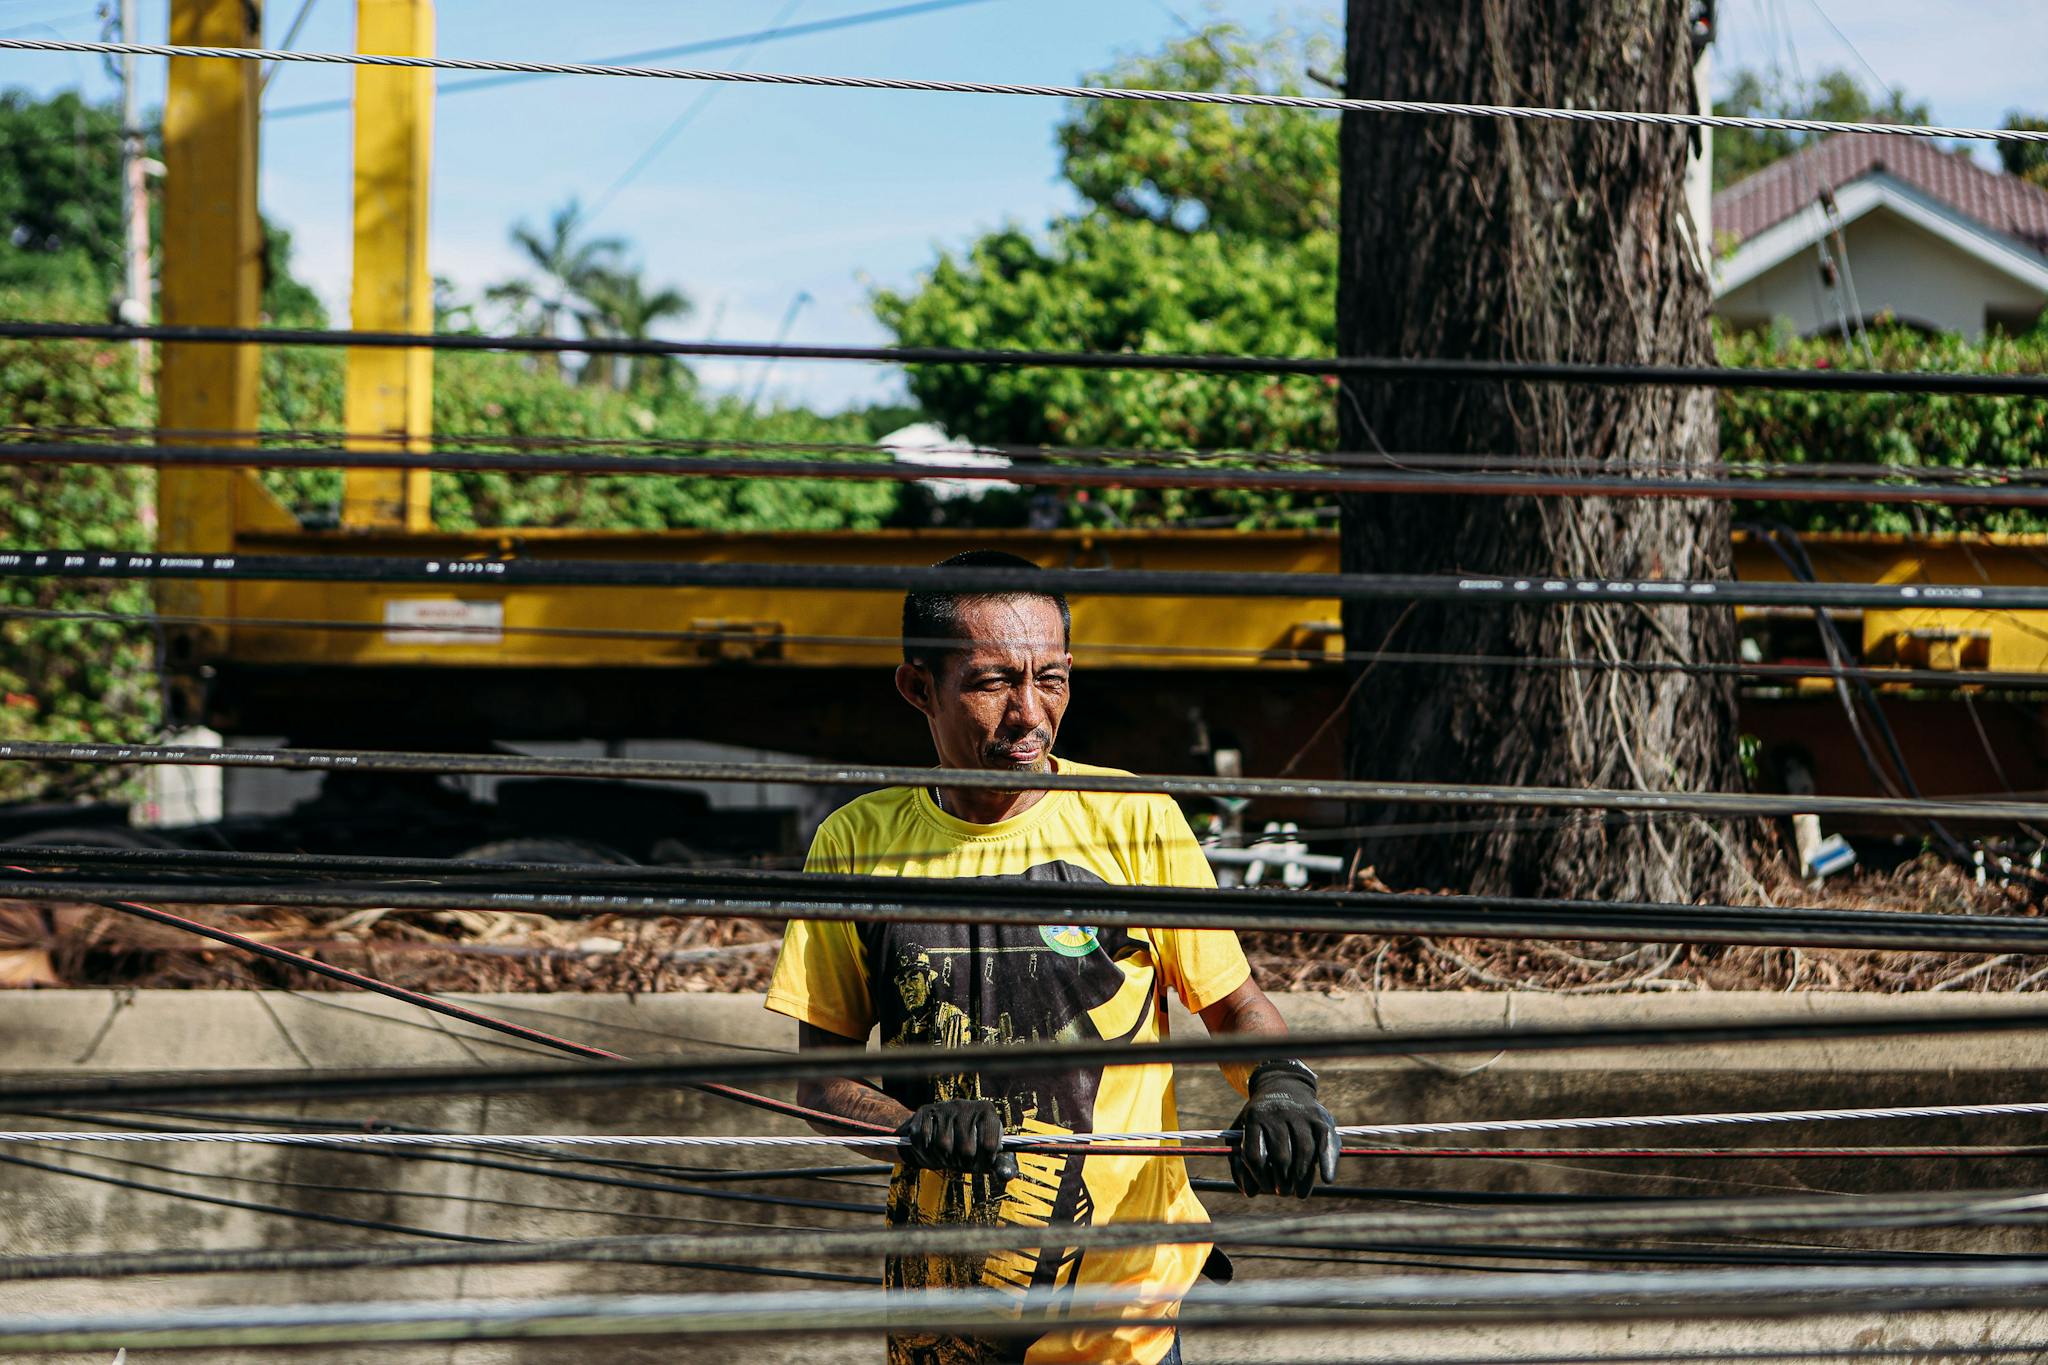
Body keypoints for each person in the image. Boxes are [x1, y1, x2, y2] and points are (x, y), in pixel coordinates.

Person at [765, 549, 1341, 1365]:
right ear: (917, 687)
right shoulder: (857, 844)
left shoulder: (1131, 818)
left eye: (1054, 678)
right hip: (947, 1323)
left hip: (1125, 1325)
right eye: (993, 682)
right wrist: (917, 1127)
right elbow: (821, 1086)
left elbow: (1238, 1008)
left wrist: (1283, 1086)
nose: (1028, 713)